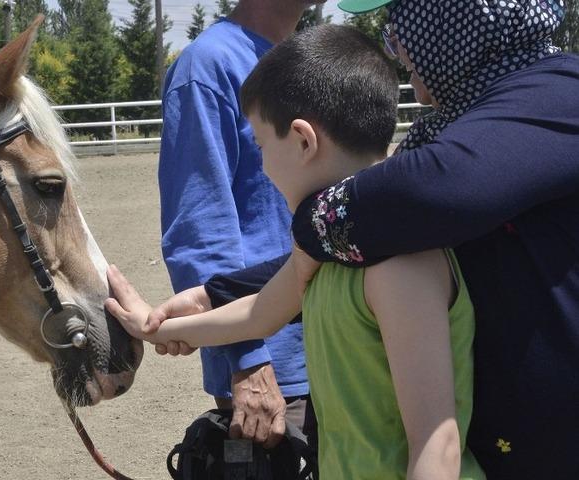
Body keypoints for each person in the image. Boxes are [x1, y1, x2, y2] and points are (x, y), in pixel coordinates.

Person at [149, 1, 579, 478]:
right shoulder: (462, 120)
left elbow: (420, 196)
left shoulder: (556, 96)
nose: (398, 48)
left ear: (456, 19)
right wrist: (205, 299)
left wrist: (310, 216)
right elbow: (350, 241)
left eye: (405, 24)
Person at [107, 24, 486, 479]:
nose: (263, 165)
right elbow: (258, 315)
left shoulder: (397, 264)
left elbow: (436, 442)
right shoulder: (327, 246)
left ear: (304, 141)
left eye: (263, 145)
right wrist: (154, 327)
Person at [157, 0, 324, 447]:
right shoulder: (209, 66)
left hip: (341, 344)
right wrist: (247, 360)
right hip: (277, 370)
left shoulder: (311, 58)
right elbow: (199, 228)